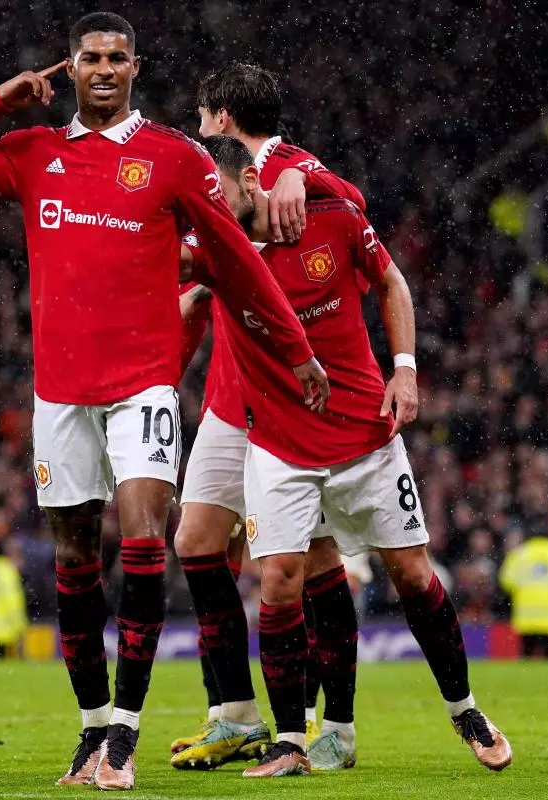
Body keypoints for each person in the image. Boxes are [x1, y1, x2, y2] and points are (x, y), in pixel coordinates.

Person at [0, 12, 329, 791]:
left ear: (136, 67)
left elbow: (236, 261)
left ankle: (126, 737)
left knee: (142, 543)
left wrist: (296, 349)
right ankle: (92, 727)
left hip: (143, 385)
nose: (104, 69)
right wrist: (2, 97)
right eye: (90, 58)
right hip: (59, 391)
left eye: (117, 58)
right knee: (73, 560)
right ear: (70, 67)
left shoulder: (174, 158)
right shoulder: (34, 153)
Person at [196, 136, 512, 777]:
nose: (210, 206)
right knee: (279, 582)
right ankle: (291, 742)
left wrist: (404, 369)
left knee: (413, 573)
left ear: (250, 182)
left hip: (365, 437)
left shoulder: (333, 219)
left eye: (218, 192)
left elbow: (390, 281)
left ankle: (465, 709)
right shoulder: (216, 253)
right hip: (279, 448)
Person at [171, 62, 368, 772]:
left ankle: (333, 724)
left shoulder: (287, 167)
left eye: (200, 117)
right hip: (230, 395)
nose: (196, 131)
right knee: (195, 538)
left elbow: (352, 201)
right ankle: (235, 715)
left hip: (286, 398)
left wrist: (301, 176)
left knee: (312, 562)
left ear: (221, 117)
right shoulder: (214, 179)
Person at [498, 530, 548, 659]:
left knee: (526, 656)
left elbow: (507, 581)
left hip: (526, 614)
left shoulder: (519, 553)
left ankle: (525, 675)